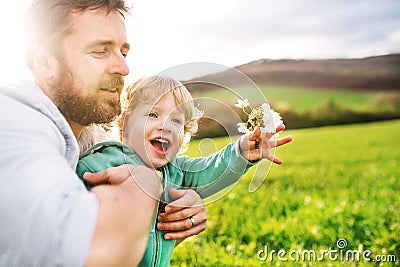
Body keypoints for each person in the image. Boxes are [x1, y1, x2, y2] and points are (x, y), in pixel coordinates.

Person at [0, 1, 206, 266]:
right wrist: (143, 184)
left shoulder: (90, 135)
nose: (123, 68)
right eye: (100, 51)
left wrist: (176, 213)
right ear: (45, 62)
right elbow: (94, 250)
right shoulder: (14, 124)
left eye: (123, 52)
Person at [77, 75, 293, 266]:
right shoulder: (105, 161)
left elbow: (210, 169)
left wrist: (242, 152)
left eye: (177, 120)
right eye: (153, 114)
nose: (166, 125)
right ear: (123, 126)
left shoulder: (176, 171)